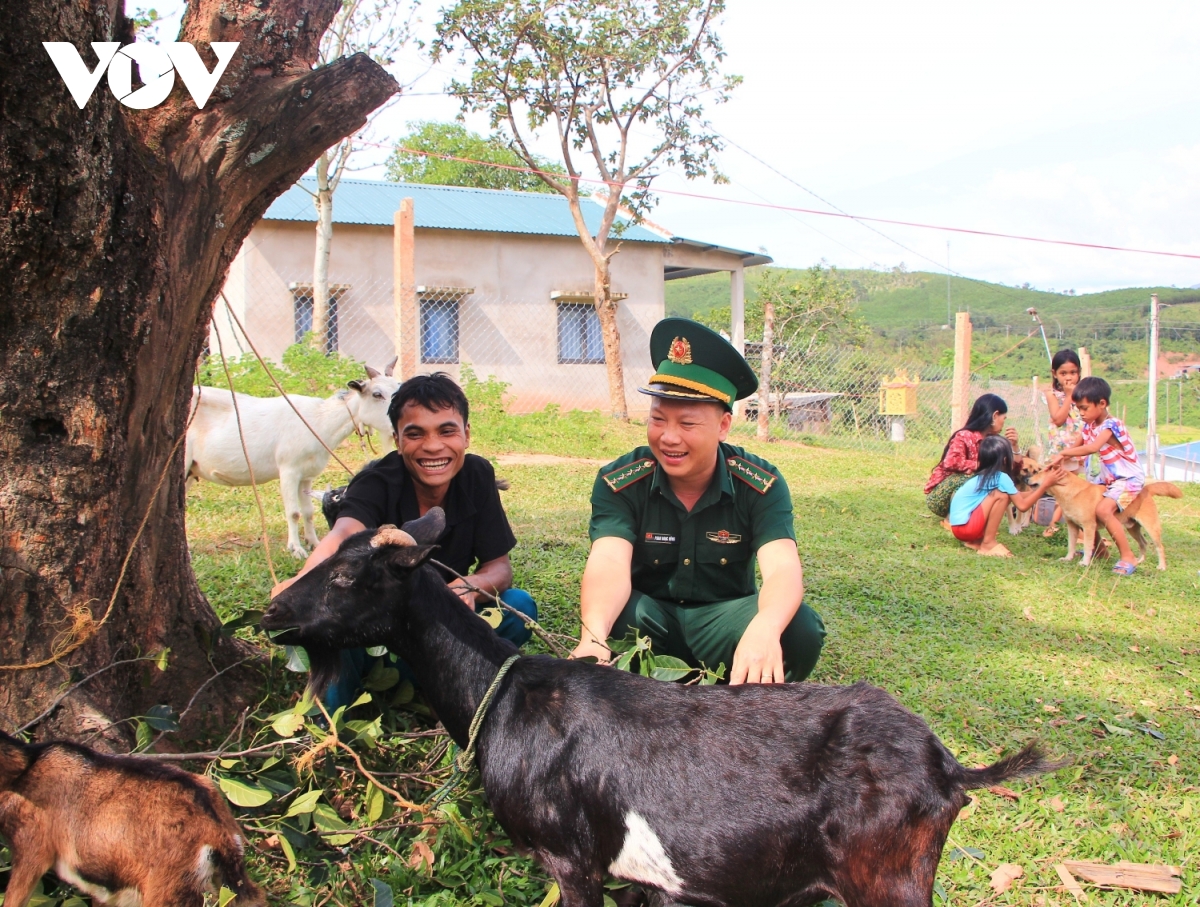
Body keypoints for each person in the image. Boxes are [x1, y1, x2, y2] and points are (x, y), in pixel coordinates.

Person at [570, 318, 825, 685]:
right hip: (649, 623)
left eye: (687, 424)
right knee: (616, 617)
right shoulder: (622, 480)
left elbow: (782, 567)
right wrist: (593, 637)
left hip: (725, 626)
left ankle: (750, 710)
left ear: (723, 426)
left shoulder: (759, 483)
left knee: (797, 628)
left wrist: (765, 629)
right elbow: (608, 559)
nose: (668, 438)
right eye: (658, 419)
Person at [271, 372, 537, 709]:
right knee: (335, 616)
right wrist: (299, 582)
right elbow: (343, 534)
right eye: (415, 434)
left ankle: (439, 684)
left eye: (446, 430)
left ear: (466, 435)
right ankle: (333, 717)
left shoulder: (477, 477)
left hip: (439, 621)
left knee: (520, 607)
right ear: (397, 439)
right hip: (379, 625)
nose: (432, 446)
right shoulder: (375, 482)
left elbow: (499, 568)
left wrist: (469, 586)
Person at [1049, 376, 1143, 575]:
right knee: (1086, 509)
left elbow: (1092, 447)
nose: (1081, 413)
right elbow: (1078, 445)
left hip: (1129, 481)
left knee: (1103, 511)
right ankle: (1099, 552)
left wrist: (1064, 453)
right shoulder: (1089, 425)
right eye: (1078, 409)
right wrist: (1060, 458)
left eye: (1084, 408)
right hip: (1108, 479)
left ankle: (1128, 556)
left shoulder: (1112, 425)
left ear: (1102, 403)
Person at [948, 435, 1064, 557]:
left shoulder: (984, 476)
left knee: (1005, 495)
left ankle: (975, 541)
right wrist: (1045, 485)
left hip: (959, 529)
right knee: (1001, 496)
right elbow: (1023, 506)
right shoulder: (1001, 477)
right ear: (1004, 460)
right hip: (967, 529)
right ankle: (988, 544)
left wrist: (1041, 489)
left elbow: (1017, 496)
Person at [924, 393, 1019, 520]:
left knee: (997, 480)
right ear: (995, 416)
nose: (1004, 423)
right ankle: (951, 519)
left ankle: (977, 522)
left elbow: (1013, 470)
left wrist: (1014, 447)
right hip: (940, 496)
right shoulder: (964, 436)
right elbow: (951, 462)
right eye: (1004, 418)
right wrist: (981, 465)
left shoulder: (994, 441)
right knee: (976, 477)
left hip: (968, 493)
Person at [1041, 349, 1083, 537]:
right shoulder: (1052, 394)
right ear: (1054, 374)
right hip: (1061, 450)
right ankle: (1056, 525)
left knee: (1074, 489)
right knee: (1065, 489)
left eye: (1073, 373)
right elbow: (1058, 419)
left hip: (1079, 448)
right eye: (1063, 373)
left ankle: (1056, 525)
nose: (1069, 377)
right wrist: (1068, 396)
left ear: (1079, 372)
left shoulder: (1084, 393)